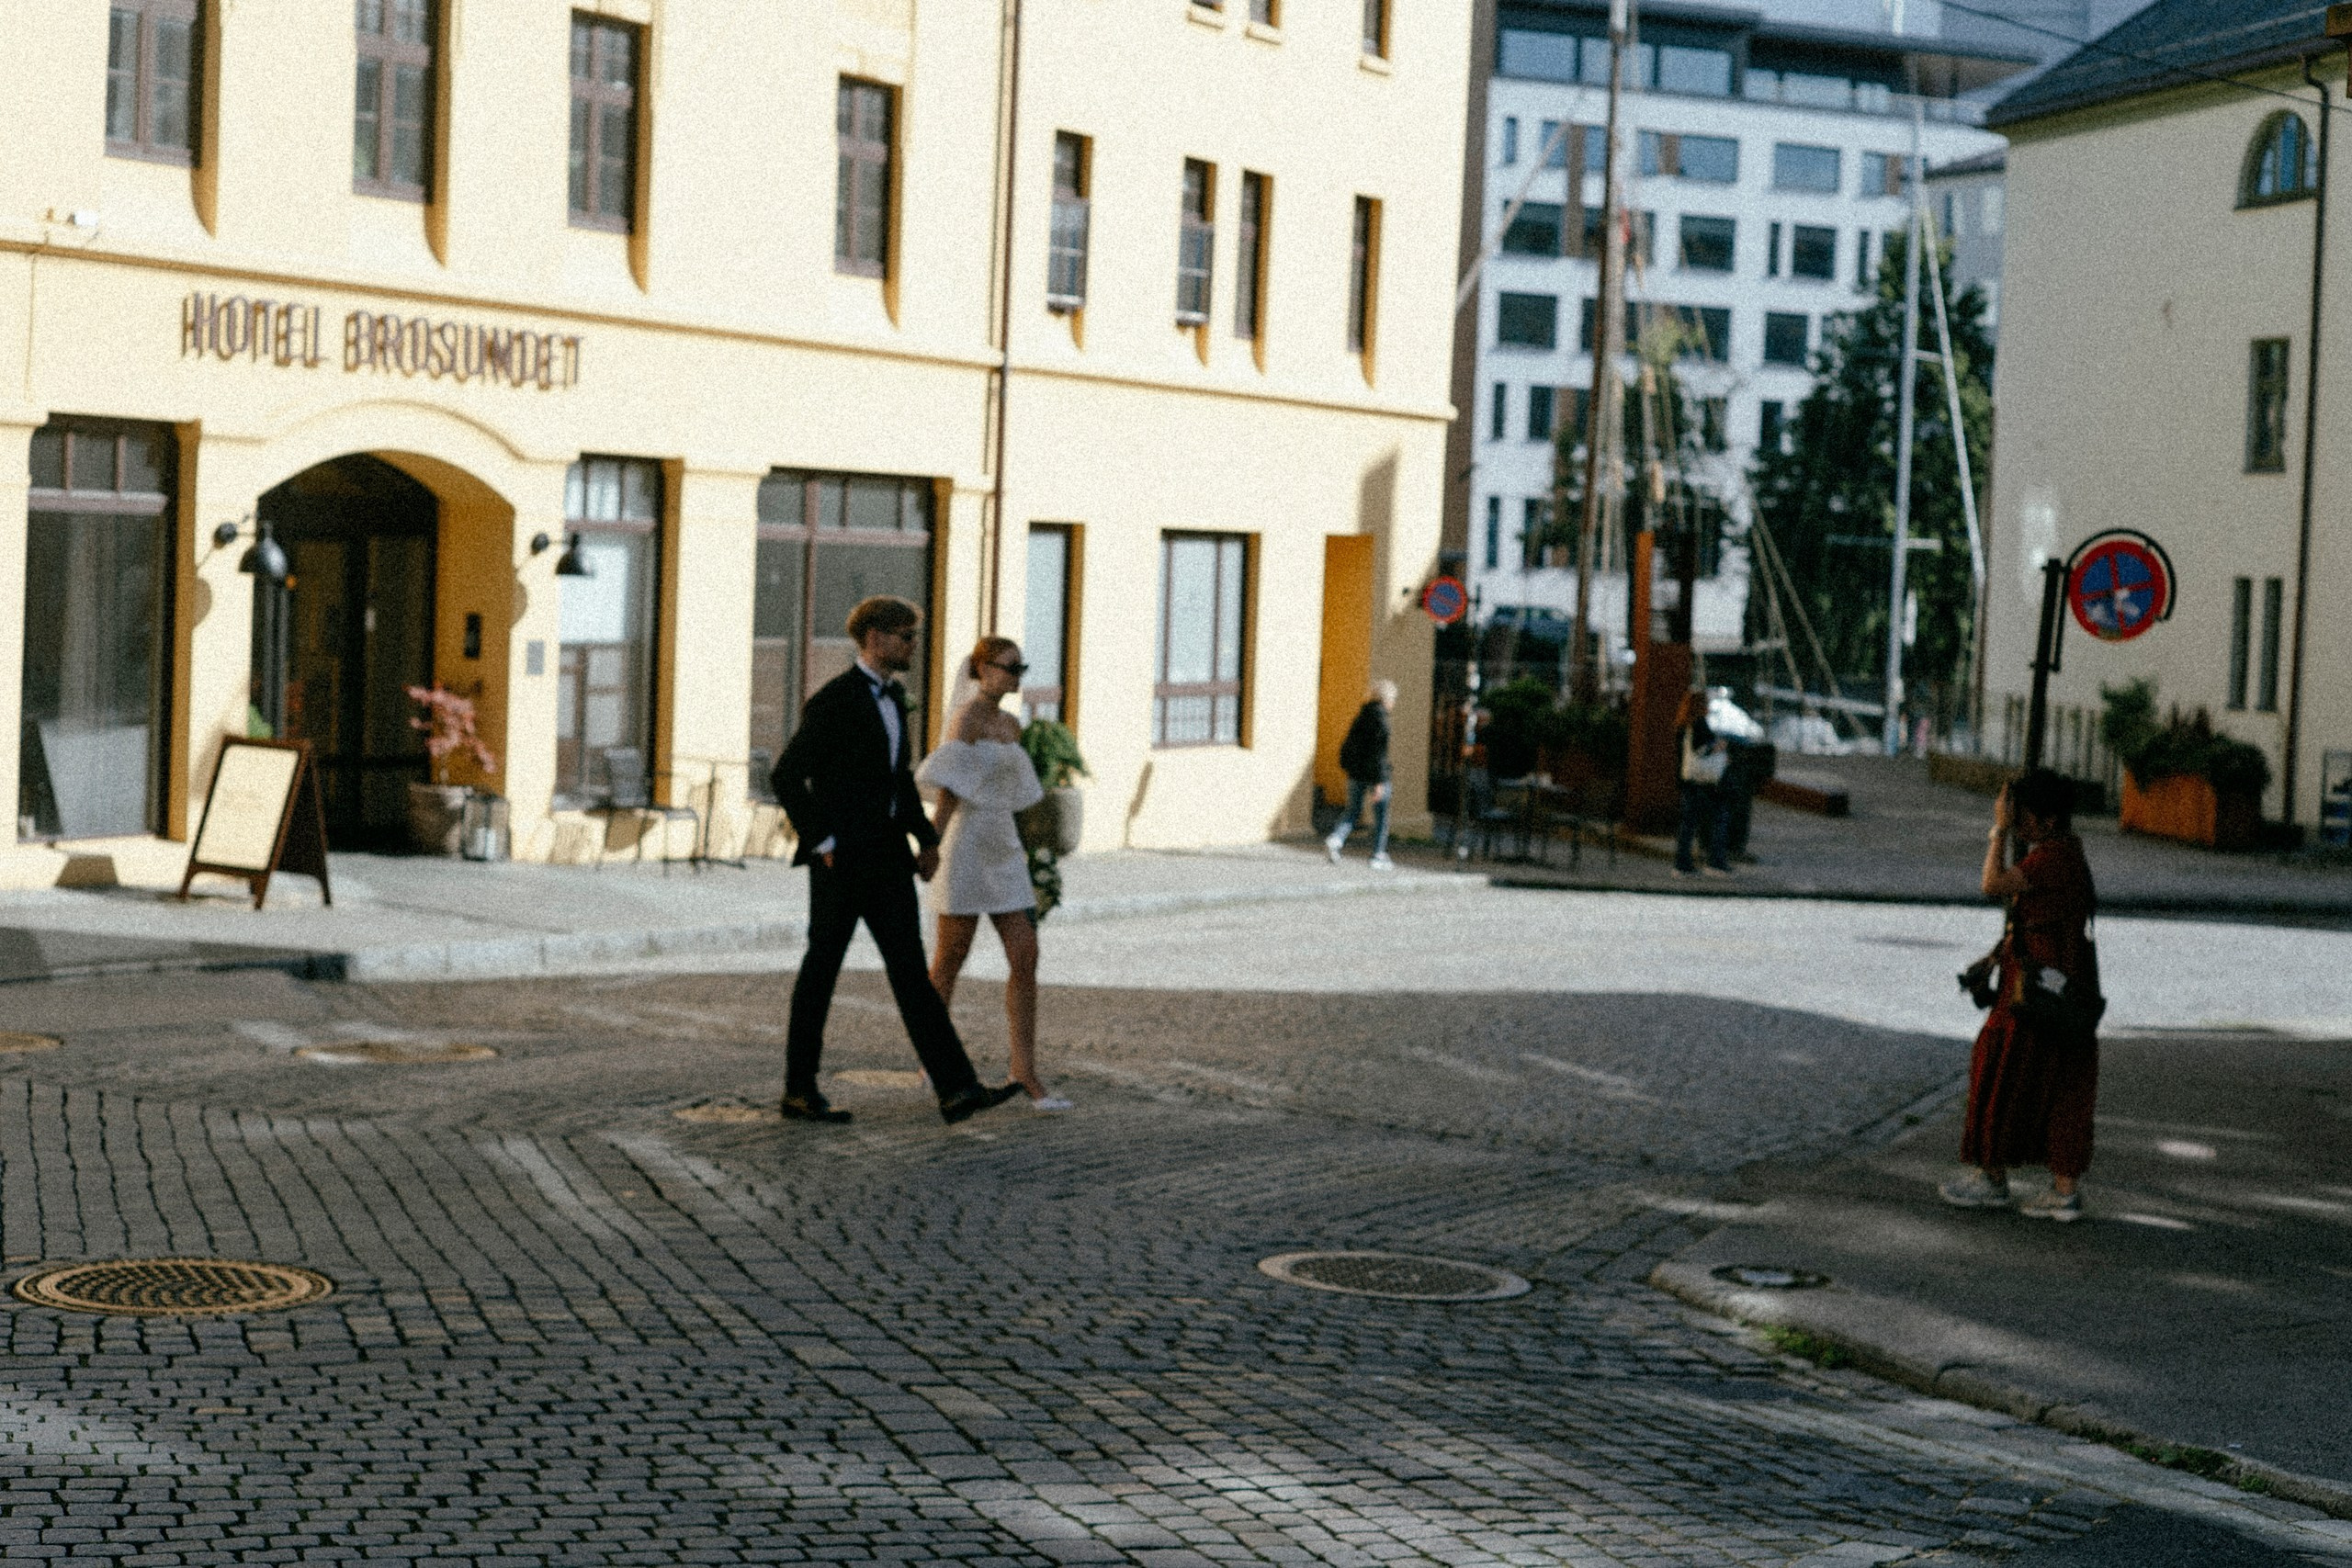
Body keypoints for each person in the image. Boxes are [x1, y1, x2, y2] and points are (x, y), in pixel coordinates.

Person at [771, 596, 1023, 1127]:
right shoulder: (835, 701)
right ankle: (799, 1091)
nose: (914, 645)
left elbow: (898, 781)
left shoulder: (895, 697)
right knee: (821, 972)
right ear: (876, 639)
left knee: (911, 974)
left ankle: (957, 1090)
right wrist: (823, 842)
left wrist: (925, 839)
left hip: (888, 859)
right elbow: (787, 777)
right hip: (841, 865)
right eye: (906, 636)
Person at [920, 637, 1072, 1112]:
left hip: (1003, 844)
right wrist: (931, 846)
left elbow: (1019, 794)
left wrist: (1036, 854)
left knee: (1026, 954)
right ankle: (936, 1061)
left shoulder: (1011, 723)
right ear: (982, 669)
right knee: (950, 959)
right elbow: (951, 788)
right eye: (1008, 668)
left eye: (1021, 669)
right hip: (965, 843)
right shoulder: (964, 718)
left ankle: (1023, 1069)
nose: (1015, 677)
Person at [1942, 768, 2100, 1221]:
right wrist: (1994, 957)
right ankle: (2063, 1190)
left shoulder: (2050, 858)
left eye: (2025, 818)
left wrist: (1997, 831)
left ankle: (1992, 1178)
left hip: (2033, 990)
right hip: (2059, 982)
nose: (2020, 825)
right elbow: (2036, 917)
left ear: (2047, 820)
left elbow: (1992, 885)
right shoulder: (2067, 852)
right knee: (2059, 1082)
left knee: (1998, 1066)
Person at [1325, 679, 1397, 870]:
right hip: (1375, 776)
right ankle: (1378, 855)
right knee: (1381, 816)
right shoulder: (1382, 722)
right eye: (1392, 699)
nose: (1393, 703)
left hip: (1356, 772)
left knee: (1352, 811)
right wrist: (1380, 783)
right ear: (1386, 699)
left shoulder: (1362, 715)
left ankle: (1336, 839)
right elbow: (1379, 755)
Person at [1672, 691, 1731, 877]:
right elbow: (1701, 749)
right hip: (1704, 782)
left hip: (1690, 780)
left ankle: (1682, 863)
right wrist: (1719, 748)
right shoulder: (1699, 724)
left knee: (1689, 824)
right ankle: (1715, 862)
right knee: (1718, 820)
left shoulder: (1685, 725)